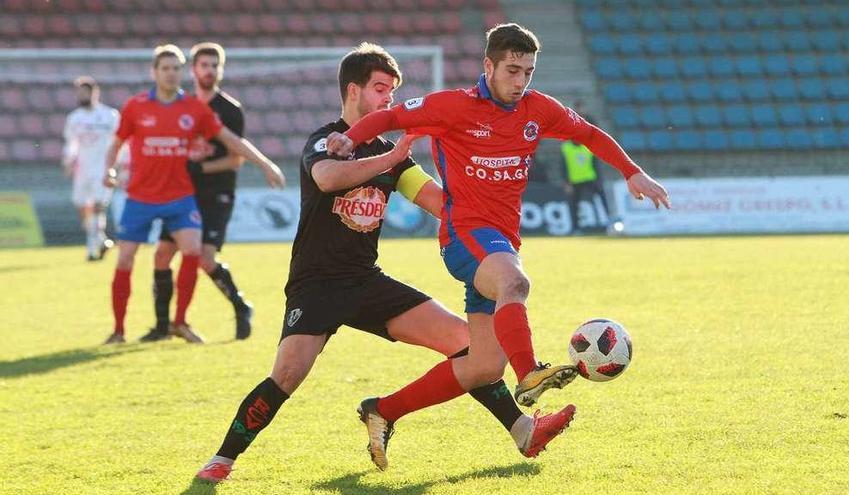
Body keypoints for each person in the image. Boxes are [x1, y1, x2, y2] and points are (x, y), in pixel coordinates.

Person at [194, 43, 575, 483]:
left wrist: (483, 188)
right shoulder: (326, 140)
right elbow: (327, 177)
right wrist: (391, 158)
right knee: (287, 375)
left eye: (393, 91)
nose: (389, 101)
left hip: (366, 282)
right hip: (316, 286)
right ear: (352, 90)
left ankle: (522, 430)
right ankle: (222, 459)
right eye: (380, 90)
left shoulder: (394, 157)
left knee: (465, 342)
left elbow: (439, 202)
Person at [326, 23, 670, 468]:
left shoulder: (537, 109)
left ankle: (383, 410)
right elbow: (390, 118)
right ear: (488, 66)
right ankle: (528, 373)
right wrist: (349, 138)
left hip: (501, 240)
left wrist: (630, 171)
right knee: (515, 282)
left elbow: (587, 134)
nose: (520, 81)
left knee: (483, 367)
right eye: (512, 70)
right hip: (465, 235)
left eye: (528, 71)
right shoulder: (452, 106)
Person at [102, 44, 285, 345]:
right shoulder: (136, 106)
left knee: (193, 251)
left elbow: (231, 140)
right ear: (155, 72)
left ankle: (180, 322)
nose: (171, 74)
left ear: (181, 72)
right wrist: (109, 170)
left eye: (176, 68)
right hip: (141, 196)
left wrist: (265, 163)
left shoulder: (194, 109)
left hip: (181, 196)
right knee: (125, 260)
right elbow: (116, 142)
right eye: (165, 69)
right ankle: (119, 331)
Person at [141, 42, 253, 344]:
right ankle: (163, 326)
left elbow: (234, 159)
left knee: (205, 257)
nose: (209, 70)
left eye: (215, 65)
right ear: (193, 70)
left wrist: (199, 168)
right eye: (204, 65)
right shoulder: (182, 106)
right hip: (181, 194)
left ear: (221, 70)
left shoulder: (230, 110)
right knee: (162, 254)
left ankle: (241, 307)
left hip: (216, 193)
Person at [62, 76, 118, 261]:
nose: (83, 95)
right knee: (82, 207)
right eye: (80, 92)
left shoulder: (110, 116)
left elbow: (119, 143)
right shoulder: (74, 118)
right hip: (82, 169)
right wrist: (69, 161)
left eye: (86, 92)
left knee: (96, 207)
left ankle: (91, 249)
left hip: (102, 168)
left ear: (95, 93)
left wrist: (118, 165)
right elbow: (72, 143)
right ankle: (101, 240)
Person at [560, 106, 610, 234]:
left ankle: (610, 222)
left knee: (602, 198)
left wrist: (599, 179)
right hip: (575, 180)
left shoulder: (588, 146)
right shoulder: (566, 148)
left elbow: (595, 163)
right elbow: (563, 166)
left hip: (590, 178)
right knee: (574, 205)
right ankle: (575, 228)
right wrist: (566, 182)